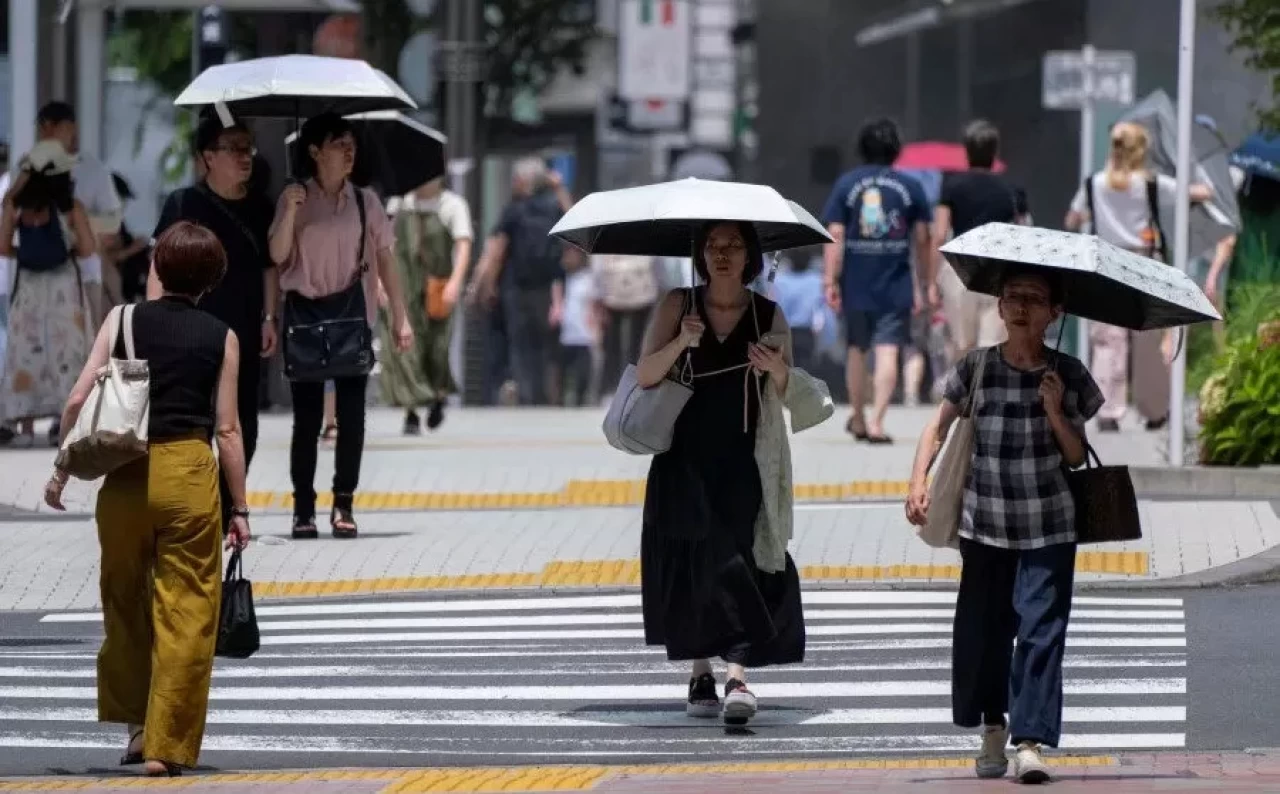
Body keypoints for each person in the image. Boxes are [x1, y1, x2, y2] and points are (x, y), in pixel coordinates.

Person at [43, 221, 252, 777]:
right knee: (187, 611)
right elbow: (228, 431)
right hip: (189, 472)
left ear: (156, 266)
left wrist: (62, 469)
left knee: (125, 600)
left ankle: (136, 726)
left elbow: (78, 397)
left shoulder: (121, 320)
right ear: (211, 282)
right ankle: (166, 745)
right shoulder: (221, 336)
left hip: (126, 474)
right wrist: (241, 508)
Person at [906, 268, 1103, 784]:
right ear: (998, 307)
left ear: (1053, 313)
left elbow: (1077, 457)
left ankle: (1030, 741)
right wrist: (916, 481)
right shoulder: (976, 368)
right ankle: (994, 726)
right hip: (986, 528)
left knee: (1041, 634)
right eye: (1012, 298)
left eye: (1034, 300)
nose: (1021, 308)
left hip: (1049, 527)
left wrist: (1056, 411)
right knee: (985, 637)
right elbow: (938, 425)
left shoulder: (1069, 373)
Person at [636, 221, 805, 728]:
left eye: (733, 245)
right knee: (694, 563)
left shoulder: (768, 313)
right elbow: (644, 373)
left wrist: (773, 367)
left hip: (742, 457)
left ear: (750, 255)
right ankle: (700, 669)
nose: (722, 255)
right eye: (713, 246)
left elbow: (786, 388)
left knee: (737, 562)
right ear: (700, 254)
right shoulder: (677, 305)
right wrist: (680, 344)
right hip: (682, 458)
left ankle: (736, 675)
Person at [269, 112, 412, 540]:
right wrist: (290, 212)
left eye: (351, 144)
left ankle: (343, 504)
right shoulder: (293, 197)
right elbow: (277, 257)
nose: (349, 152)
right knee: (307, 420)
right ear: (314, 152)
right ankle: (303, 509)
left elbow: (387, 261)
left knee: (352, 419)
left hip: (352, 318)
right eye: (338, 144)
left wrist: (400, 318)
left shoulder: (366, 202)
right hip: (306, 319)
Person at [152, 111, 279, 532]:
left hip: (240, 334)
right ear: (208, 156)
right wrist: (154, 319)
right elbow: (160, 262)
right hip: (189, 333)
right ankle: (197, 517)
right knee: (192, 431)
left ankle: (225, 511)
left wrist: (268, 317)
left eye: (249, 147)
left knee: (246, 428)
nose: (245, 156)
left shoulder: (262, 206)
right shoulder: (182, 204)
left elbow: (268, 268)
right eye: (234, 148)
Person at [1064, 121, 1213, 432]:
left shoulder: (1095, 183)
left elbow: (1072, 218)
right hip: (1144, 261)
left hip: (1105, 263)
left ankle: (1107, 410)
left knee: (1106, 340)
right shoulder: (1150, 184)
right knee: (1146, 338)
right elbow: (1203, 193)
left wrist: (1096, 213)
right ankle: (1154, 409)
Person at [821, 119, 932, 444]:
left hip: (856, 281)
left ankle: (857, 417)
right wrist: (925, 282)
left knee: (857, 349)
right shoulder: (910, 187)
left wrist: (830, 279)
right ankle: (878, 423)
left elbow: (835, 233)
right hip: (895, 280)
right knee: (888, 350)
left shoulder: (846, 185)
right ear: (896, 149)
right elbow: (924, 238)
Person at [0, 141, 96, 448]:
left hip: (28, 284)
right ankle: (62, 423)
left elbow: (2, 247)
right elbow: (86, 249)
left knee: (26, 350)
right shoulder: (69, 207)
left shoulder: (17, 207)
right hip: (63, 286)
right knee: (67, 351)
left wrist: (24, 253)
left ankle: (25, 426)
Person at [471, 159, 575, 405]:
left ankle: (526, 396)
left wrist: (485, 285)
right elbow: (575, 221)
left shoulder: (514, 210)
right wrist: (559, 187)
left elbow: (498, 250)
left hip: (515, 287)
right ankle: (546, 396)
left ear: (523, 181)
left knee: (520, 344)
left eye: (516, 179)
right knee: (545, 345)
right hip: (547, 289)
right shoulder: (552, 207)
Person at [382, 175, 475, 433]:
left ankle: (438, 396)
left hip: (438, 287)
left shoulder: (452, 205)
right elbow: (386, 245)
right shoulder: (400, 204)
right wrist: (380, 282)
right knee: (408, 349)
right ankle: (410, 412)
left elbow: (464, 247)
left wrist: (456, 281)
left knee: (438, 349)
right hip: (406, 287)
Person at [929, 120, 1031, 354]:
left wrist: (933, 281)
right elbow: (1024, 238)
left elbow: (940, 234)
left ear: (966, 151)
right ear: (995, 152)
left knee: (962, 347)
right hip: (998, 274)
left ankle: (966, 390)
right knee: (991, 347)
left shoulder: (952, 187)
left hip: (960, 273)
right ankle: (985, 389)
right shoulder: (1012, 190)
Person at [35, 101, 122, 330]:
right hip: (37, 278)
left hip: (84, 276)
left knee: (85, 351)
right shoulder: (28, 169)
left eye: (59, 128)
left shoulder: (93, 168)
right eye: (43, 129)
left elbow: (113, 224)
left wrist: (77, 225)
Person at [592, 252, 660, 397]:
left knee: (634, 344)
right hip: (617, 294)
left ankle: (630, 386)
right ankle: (614, 387)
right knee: (616, 344)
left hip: (639, 293)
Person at [555, 254, 599, 407]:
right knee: (562, 372)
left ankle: (580, 400)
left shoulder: (588, 278)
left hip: (584, 334)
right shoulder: (561, 279)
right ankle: (559, 401)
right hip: (565, 333)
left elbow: (595, 304)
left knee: (582, 373)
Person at [107, 174, 151, 305]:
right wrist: (130, 250)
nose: (123, 204)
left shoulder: (120, 224)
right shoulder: (100, 225)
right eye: (121, 198)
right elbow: (101, 258)